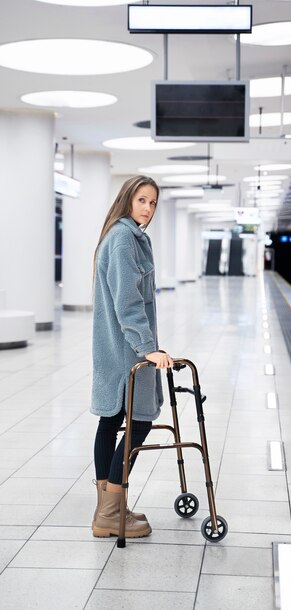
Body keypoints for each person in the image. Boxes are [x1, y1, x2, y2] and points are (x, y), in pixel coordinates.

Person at [90, 175, 173, 538]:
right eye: (142, 200)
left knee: (110, 420)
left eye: (153, 203)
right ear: (127, 200)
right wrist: (147, 348)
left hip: (113, 345)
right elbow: (128, 301)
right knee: (138, 421)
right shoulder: (124, 239)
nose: (148, 209)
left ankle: (110, 508)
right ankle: (109, 511)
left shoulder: (127, 236)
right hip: (126, 350)